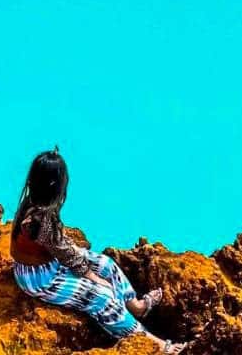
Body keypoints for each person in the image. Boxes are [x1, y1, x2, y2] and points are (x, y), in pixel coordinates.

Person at [10, 147, 188, 354]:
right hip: (38, 279)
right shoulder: (41, 220)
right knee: (102, 296)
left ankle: (136, 307)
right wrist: (95, 278)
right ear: (55, 185)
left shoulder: (36, 202)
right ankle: (153, 344)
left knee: (106, 264)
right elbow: (70, 258)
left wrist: (92, 268)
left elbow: (61, 248)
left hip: (49, 264)